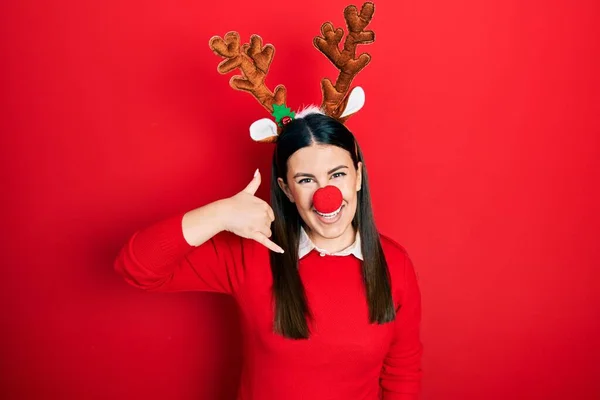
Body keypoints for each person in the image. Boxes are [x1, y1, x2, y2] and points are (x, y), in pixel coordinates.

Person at [114, 112, 423, 399]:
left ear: (357, 176)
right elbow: (137, 267)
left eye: (337, 174)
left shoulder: (395, 264)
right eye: (305, 180)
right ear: (286, 190)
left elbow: (402, 372)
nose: (325, 195)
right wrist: (218, 215)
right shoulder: (252, 252)